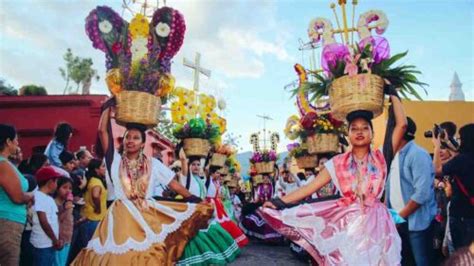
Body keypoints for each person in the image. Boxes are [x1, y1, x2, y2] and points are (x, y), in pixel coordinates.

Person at [261, 91, 406, 265]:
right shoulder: (337, 163)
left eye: (365, 128)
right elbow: (309, 188)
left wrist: (394, 93)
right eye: (354, 128)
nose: (359, 132)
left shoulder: (381, 156)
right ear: (348, 134)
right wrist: (278, 202)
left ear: (372, 133)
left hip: (379, 227)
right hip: (348, 227)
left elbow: (402, 125)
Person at [72, 106, 213, 265]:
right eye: (127, 137)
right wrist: (107, 108)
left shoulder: (153, 164)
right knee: (118, 256)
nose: (130, 140)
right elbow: (102, 132)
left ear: (142, 144)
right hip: (120, 216)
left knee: (147, 255)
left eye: (136, 138)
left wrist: (193, 198)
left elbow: (173, 184)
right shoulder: (114, 161)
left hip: (147, 215)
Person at [385, 117, 437, 266]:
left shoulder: (417, 154)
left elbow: (421, 194)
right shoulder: (395, 156)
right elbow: (390, 189)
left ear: (402, 131)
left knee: (422, 262)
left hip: (416, 223)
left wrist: (398, 217)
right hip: (398, 222)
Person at [177, 157, 241, 265]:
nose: (196, 167)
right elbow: (183, 159)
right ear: (188, 166)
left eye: (198, 164)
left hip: (201, 213)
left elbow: (206, 171)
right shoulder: (186, 177)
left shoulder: (201, 180)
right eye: (193, 164)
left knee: (212, 231)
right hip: (190, 212)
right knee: (195, 237)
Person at [433, 123, 474, 250]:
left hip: (461, 216)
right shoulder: (464, 159)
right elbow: (458, 155)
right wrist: (447, 141)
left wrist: (437, 146)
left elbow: (435, 170)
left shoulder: (460, 161)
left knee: (461, 255)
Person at [0, 124, 35, 266]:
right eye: (16, 139)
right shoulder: (3, 165)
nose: (18, 143)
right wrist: (30, 197)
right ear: (8, 141)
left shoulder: (6, 164)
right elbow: (17, 197)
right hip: (7, 222)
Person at [30, 166, 64, 266]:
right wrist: (55, 239)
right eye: (56, 182)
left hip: (49, 243)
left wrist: (58, 238)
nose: (57, 185)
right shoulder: (39, 197)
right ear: (50, 182)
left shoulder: (48, 198)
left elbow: (55, 220)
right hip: (42, 245)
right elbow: (43, 221)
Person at [76, 159, 108, 251]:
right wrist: (98, 208)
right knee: (91, 247)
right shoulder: (96, 182)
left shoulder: (92, 179)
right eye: (103, 166)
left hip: (89, 216)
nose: (105, 169)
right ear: (96, 169)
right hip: (93, 217)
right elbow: (95, 195)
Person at [54, 177, 74, 266]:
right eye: (64, 187)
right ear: (57, 189)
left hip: (67, 239)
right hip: (59, 239)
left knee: (62, 262)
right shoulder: (54, 204)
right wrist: (67, 209)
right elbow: (57, 220)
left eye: (70, 188)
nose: (68, 191)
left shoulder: (66, 204)